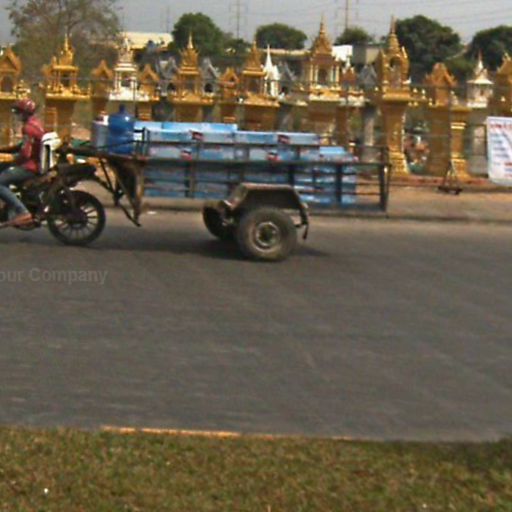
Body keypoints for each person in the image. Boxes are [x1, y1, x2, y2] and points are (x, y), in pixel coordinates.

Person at [0, 98, 45, 226]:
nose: (17, 115)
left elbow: (25, 154)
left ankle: (22, 212)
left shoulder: (28, 128)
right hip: (35, 163)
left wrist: (12, 160)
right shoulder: (36, 123)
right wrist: (4, 150)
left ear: (24, 113)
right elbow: (23, 146)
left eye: (18, 112)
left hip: (29, 167)